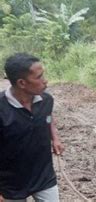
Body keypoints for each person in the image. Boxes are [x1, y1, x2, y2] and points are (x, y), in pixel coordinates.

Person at [0, 53, 64, 202]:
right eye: (39, 77)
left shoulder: (46, 100)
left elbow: (47, 118)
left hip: (43, 175)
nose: (45, 81)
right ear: (22, 83)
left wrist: (55, 138)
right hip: (10, 183)